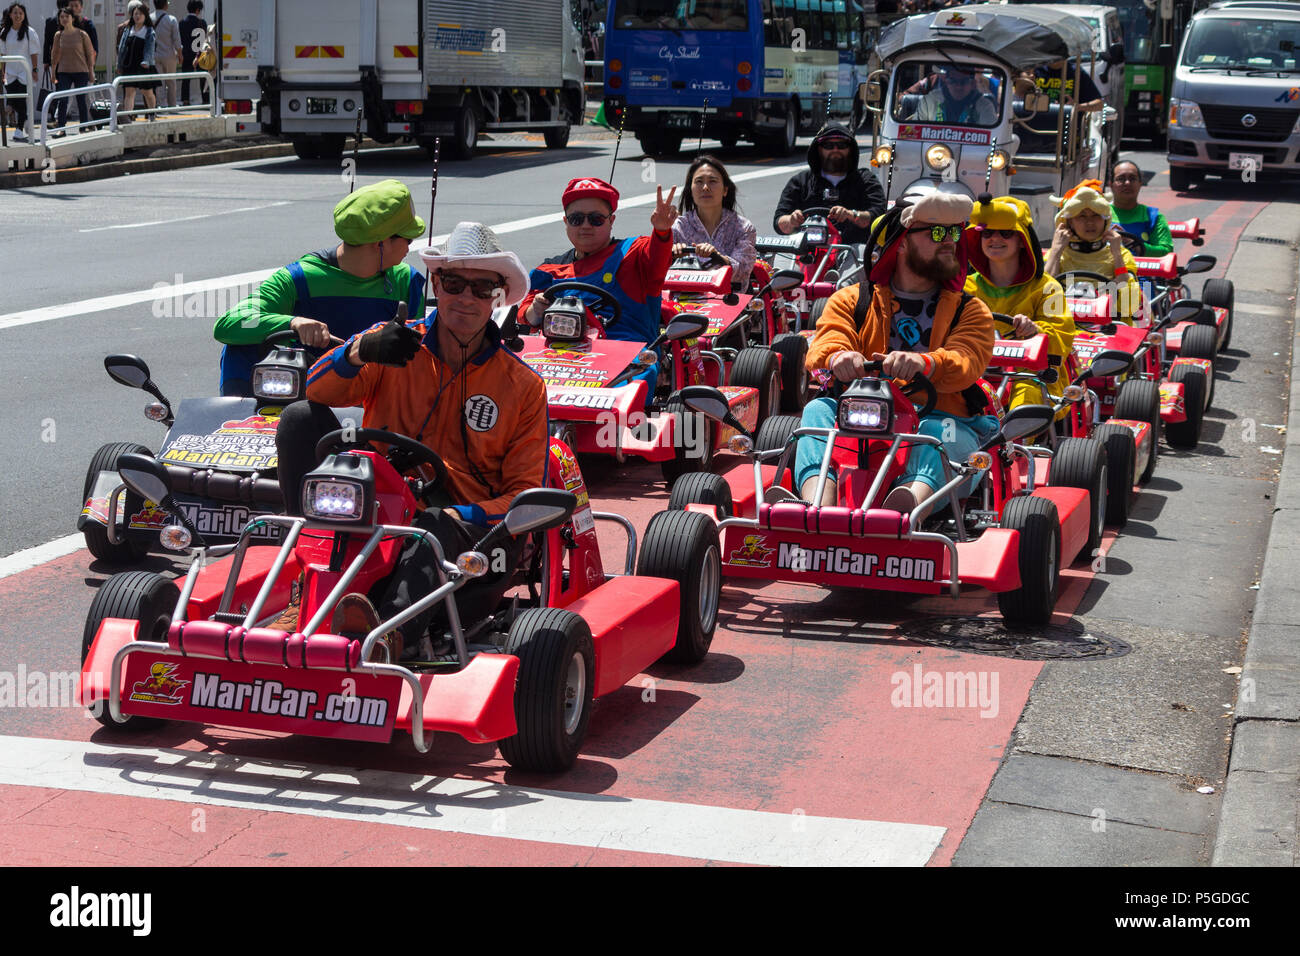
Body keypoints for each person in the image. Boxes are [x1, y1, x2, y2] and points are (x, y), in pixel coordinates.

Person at [276, 221, 547, 662]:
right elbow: (317, 393)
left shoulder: (524, 385)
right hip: (377, 500)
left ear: (498, 297)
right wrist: (356, 351)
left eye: (481, 289)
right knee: (299, 419)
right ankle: (301, 586)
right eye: (455, 283)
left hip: (462, 522)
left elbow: (523, 496)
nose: (465, 298)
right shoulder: (394, 342)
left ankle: (389, 637)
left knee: (431, 527)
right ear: (436, 283)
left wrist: (462, 512)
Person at [785, 191, 996, 510]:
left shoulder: (971, 309)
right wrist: (839, 356)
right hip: (862, 416)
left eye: (955, 232)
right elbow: (826, 342)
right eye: (937, 232)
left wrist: (926, 363)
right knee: (817, 412)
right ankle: (816, 507)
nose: (949, 241)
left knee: (937, 433)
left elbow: (967, 361)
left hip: (943, 416)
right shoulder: (852, 299)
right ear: (902, 242)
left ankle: (905, 509)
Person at [214, 178, 428, 397]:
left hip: (374, 399)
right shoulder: (298, 278)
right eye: (408, 239)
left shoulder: (406, 281)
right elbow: (230, 324)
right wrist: (293, 323)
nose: (410, 246)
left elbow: (423, 357)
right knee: (238, 348)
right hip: (303, 402)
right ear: (380, 242)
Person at [519, 176, 677, 346]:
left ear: (611, 221)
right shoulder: (549, 270)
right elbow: (524, 317)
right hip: (561, 357)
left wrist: (661, 230)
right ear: (566, 222)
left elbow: (658, 256)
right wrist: (536, 310)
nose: (585, 225)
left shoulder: (634, 252)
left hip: (629, 359)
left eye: (596, 219)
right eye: (576, 219)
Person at [964, 194, 1076, 414]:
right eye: (987, 233)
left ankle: (1016, 448)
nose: (995, 239)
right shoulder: (965, 288)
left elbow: (1062, 340)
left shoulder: (1047, 287)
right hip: (974, 375)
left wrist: (1035, 330)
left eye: (1005, 233)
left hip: (1030, 376)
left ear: (1023, 241)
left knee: (1026, 395)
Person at [1044, 179, 1142, 324]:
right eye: (1081, 216)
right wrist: (1056, 251)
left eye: (1096, 215)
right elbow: (1042, 297)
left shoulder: (1121, 254)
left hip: (1109, 329)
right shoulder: (1056, 254)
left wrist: (1116, 255)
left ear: (1105, 220)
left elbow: (1130, 305)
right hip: (1066, 328)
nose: (1089, 223)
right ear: (1068, 222)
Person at [773, 122, 887, 246]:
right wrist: (791, 220)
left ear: (851, 149)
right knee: (780, 262)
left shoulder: (866, 180)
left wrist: (850, 214)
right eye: (828, 145)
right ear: (819, 149)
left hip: (852, 252)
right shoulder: (800, 181)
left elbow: (878, 216)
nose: (835, 150)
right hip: (807, 251)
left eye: (842, 145)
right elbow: (779, 221)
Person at [671, 153, 757, 289]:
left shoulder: (743, 228)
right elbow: (654, 269)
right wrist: (672, 254)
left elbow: (743, 270)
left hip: (729, 302)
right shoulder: (678, 227)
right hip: (683, 303)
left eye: (712, 181)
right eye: (699, 181)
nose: (705, 187)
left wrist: (718, 258)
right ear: (691, 190)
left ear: (725, 190)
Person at [1110, 160, 1172, 257]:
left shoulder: (1153, 217)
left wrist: (1133, 244)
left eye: (1132, 178)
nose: (1127, 183)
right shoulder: (1098, 214)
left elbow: (1167, 252)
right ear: (1111, 185)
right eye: (1120, 179)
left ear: (1140, 183)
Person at [903, 66, 997, 125]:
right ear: (946, 82)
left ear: (972, 84)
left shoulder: (985, 106)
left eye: (964, 82)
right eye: (953, 81)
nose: (958, 87)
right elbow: (916, 130)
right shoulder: (929, 101)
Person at [49, 6, 92, 133]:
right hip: (64, 72)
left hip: (81, 71)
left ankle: (83, 127)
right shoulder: (58, 35)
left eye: (67, 16)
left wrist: (91, 71)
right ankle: (61, 128)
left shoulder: (82, 34)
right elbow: (54, 55)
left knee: (81, 101)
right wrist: (53, 73)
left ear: (72, 18)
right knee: (63, 100)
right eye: (61, 17)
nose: (64, 19)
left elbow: (90, 54)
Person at [0, 3, 39, 140]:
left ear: (24, 15)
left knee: (22, 102)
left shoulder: (30, 32)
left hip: (24, 73)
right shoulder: (5, 32)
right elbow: (2, 55)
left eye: (20, 13)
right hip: (10, 74)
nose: (18, 16)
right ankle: (26, 120)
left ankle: (19, 130)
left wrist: (34, 70)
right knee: (13, 102)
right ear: (10, 15)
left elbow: (34, 53)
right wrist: (2, 72)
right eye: (15, 13)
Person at [117, 2, 157, 119]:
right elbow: (121, 48)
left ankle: (151, 114)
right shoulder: (128, 29)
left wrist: (146, 61)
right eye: (135, 14)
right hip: (129, 65)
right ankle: (127, 118)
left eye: (140, 14)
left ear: (145, 16)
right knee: (129, 92)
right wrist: (119, 65)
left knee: (147, 92)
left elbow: (150, 48)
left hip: (143, 65)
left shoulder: (149, 30)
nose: (137, 16)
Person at [151, 0, 180, 108]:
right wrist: (180, 54)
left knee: (159, 82)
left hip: (155, 55)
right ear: (165, 5)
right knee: (171, 82)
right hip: (169, 55)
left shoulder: (149, 18)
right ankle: (172, 105)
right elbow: (177, 40)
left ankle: (162, 105)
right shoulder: (172, 19)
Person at [178, 0, 205, 105]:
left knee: (186, 78)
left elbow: (179, 39)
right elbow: (203, 42)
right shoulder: (202, 22)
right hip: (199, 54)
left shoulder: (182, 23)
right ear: (197, 10)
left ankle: (185, 100)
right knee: (203, 77)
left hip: (186, 54)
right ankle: (205, 99)